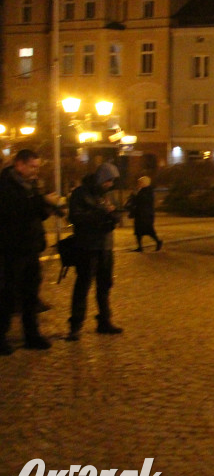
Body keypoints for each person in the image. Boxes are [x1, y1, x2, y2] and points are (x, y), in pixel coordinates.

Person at [0, 149, 62, 353]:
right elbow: (14, 213)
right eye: (32, 166)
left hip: (32, 247)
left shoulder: (32, 185)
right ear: (19, 164)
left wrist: (47, 209)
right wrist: (40, 203)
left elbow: (34, 215)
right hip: (11, 248)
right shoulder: (6, 185)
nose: (36, 171)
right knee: (7, 294)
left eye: (37, 166)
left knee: (30, 294)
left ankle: (32, 335)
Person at [67, 161, 124, 340]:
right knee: (83, 286)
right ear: (100, 179)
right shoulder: (81, 194)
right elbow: (75, 217)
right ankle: (75, 325)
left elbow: (117, 213)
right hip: (87, 246)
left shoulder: (108, 195)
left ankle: (104, 321)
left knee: (104, 285)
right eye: (108, 181)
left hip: (105, 246)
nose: (110, 184)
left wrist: (113, 215)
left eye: (112, 181)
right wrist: (100, 214)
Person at [126, 176, 162, 252]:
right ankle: (140, 247)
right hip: (140, 214)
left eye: (140, 182)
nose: (138, 184)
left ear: (144, 183)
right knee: (138, 231)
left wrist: (135, 196)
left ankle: (158, 241)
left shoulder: (148, 191)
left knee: (149, 230)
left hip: (146, 215)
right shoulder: (141, 190)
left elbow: (143, 200)